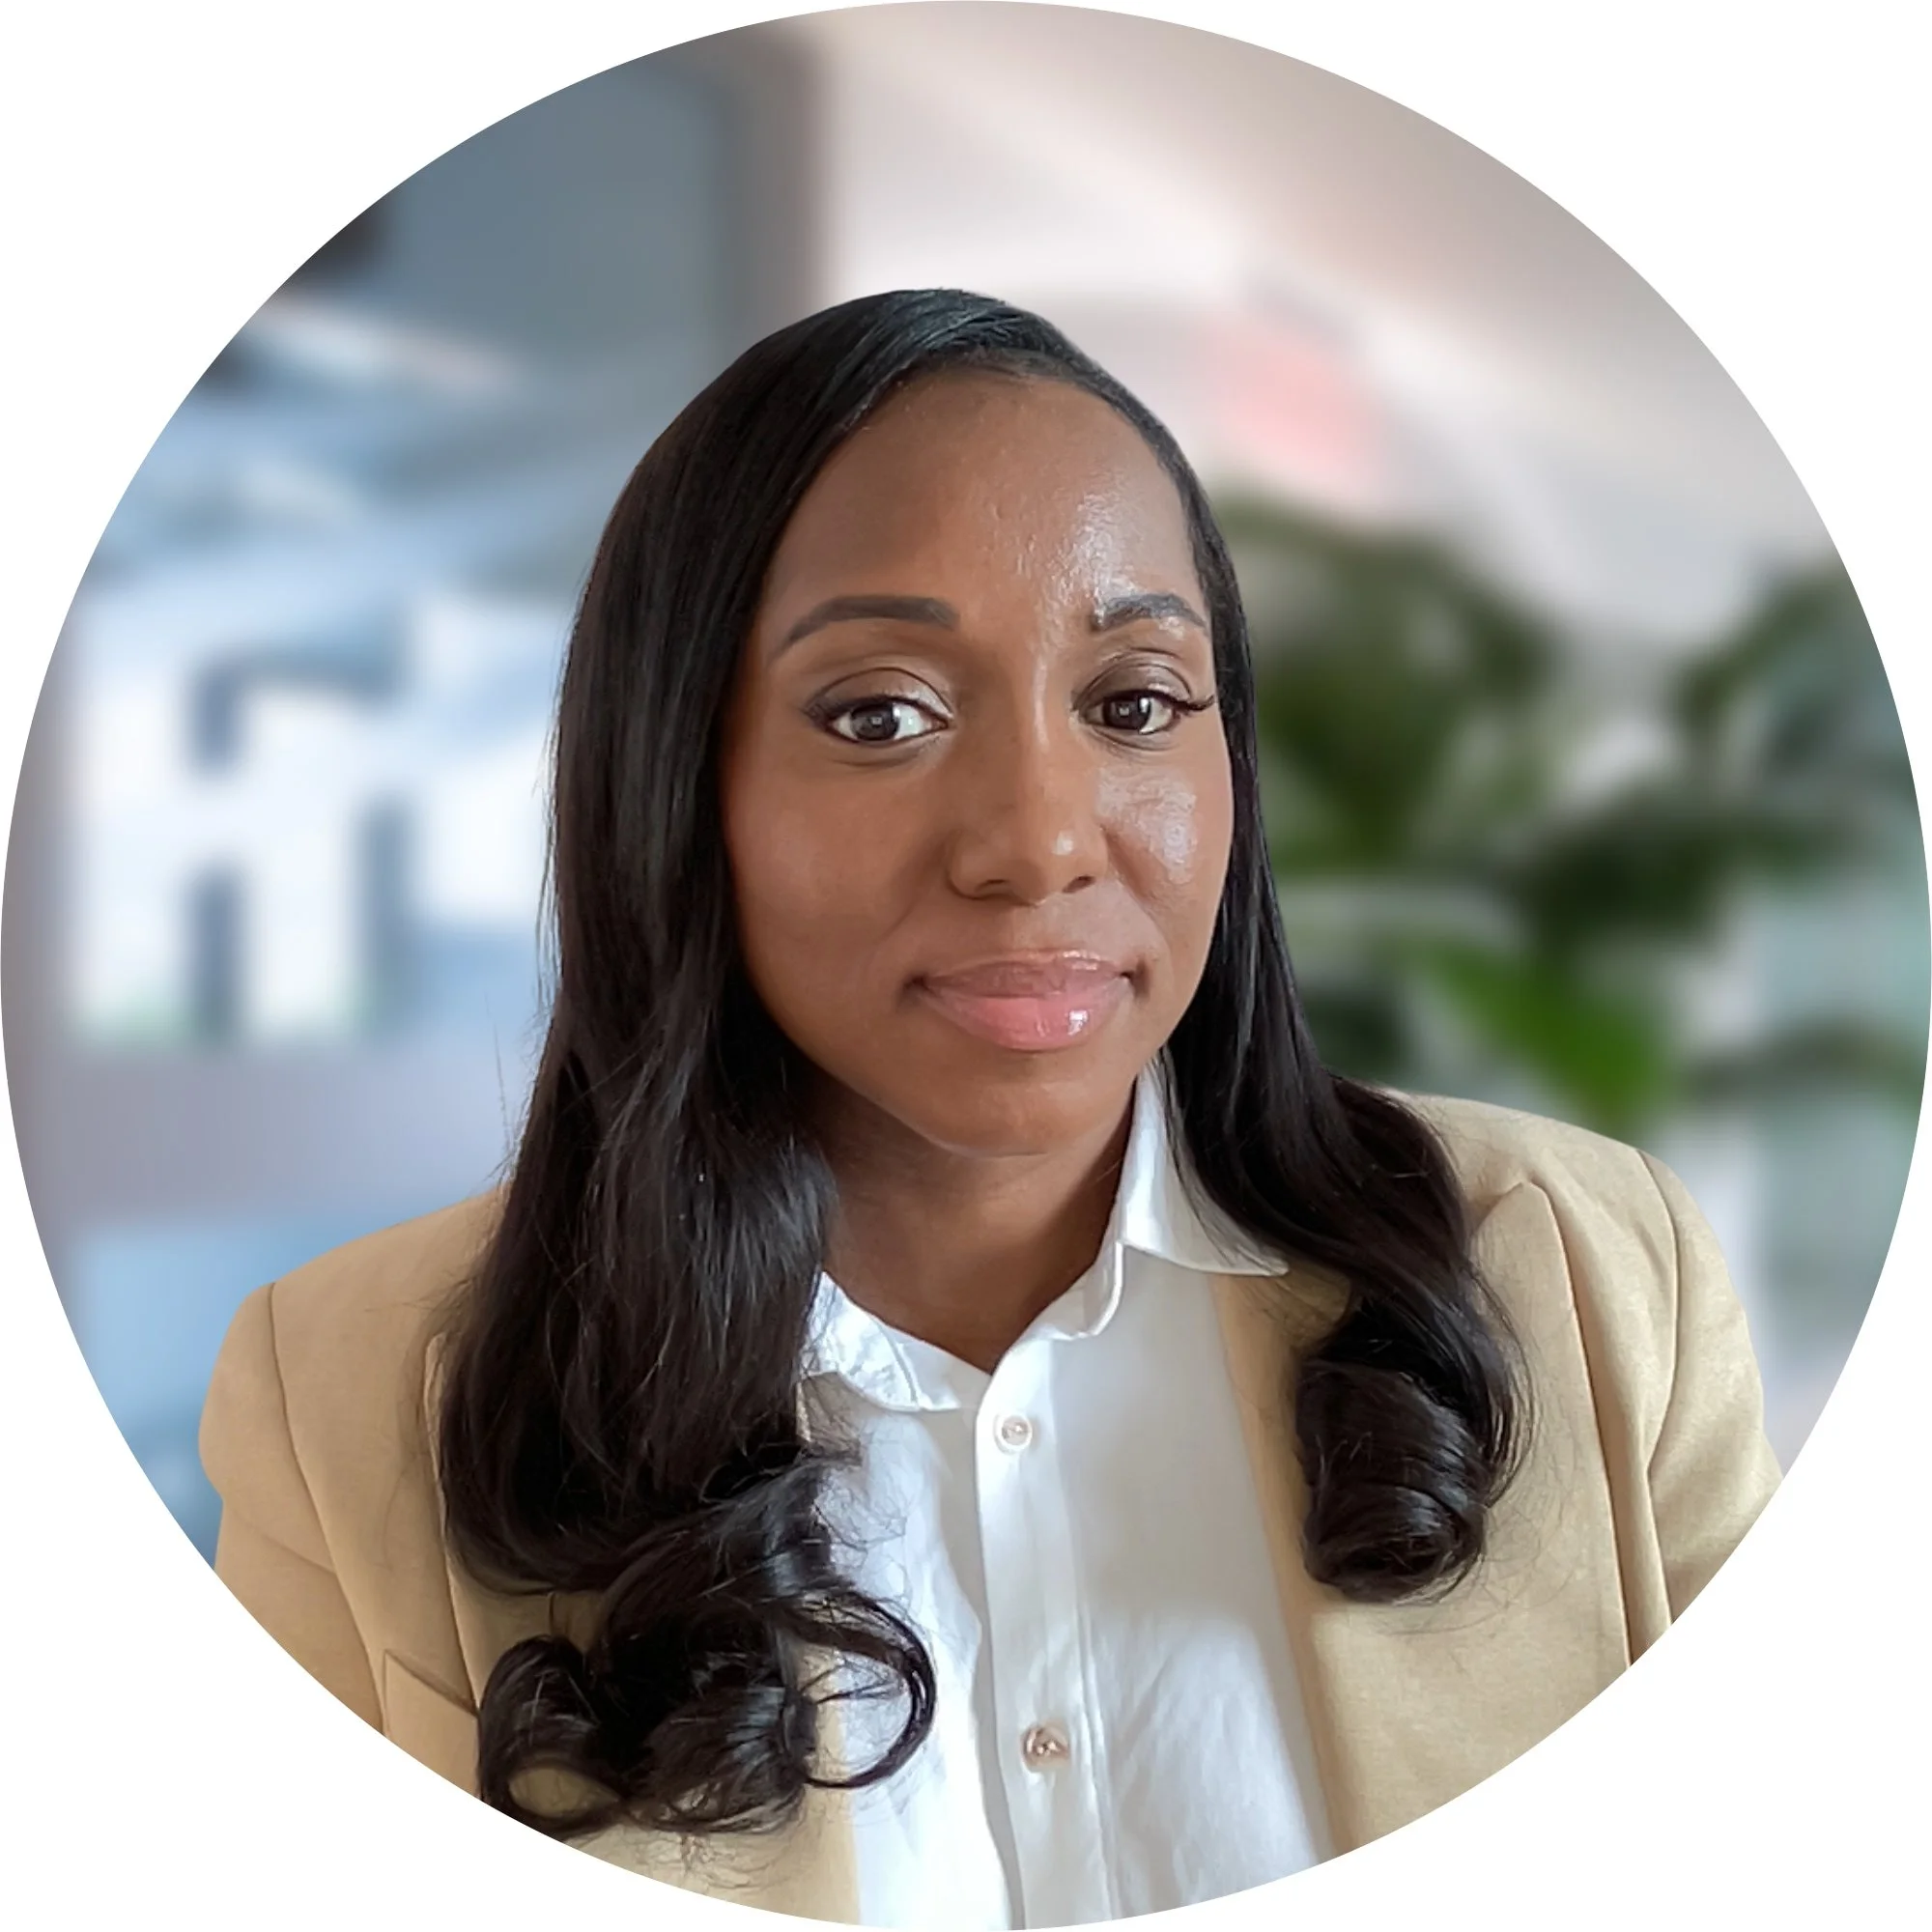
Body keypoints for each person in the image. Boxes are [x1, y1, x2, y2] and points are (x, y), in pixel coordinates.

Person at [199, 289, 1779, 1928]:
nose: (1036, 842)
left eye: (1134, 702)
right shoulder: (347, 1408)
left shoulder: (1598, 1283)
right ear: (675, 781)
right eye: (880, 714)